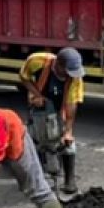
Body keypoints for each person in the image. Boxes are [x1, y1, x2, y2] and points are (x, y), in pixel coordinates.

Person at [18, 48, 85, 194]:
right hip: (39, 107)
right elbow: (23, 76)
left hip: (58, 106)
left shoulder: (75, 77)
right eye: (67, 71)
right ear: (59, 66)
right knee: (37, 141)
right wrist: (36, 94)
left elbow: (71, 104)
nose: (70, 75)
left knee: (66, 143)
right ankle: (39, 177)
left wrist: (68, 132)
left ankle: (69, 181)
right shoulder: (37, 61)